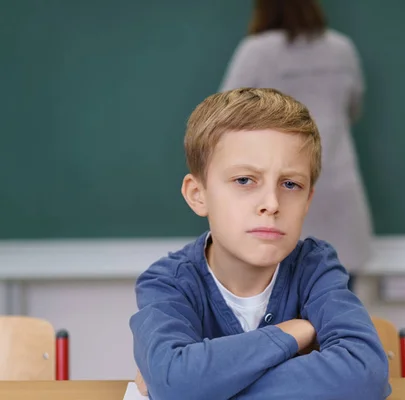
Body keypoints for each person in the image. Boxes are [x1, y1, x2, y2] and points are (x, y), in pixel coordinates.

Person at [130, 88, 390, 399]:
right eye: (244, 180)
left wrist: (204, 386)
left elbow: (364, 374)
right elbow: (174, 382)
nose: (271, 203)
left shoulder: (315, 267)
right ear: (198, 195)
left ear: (308, 200)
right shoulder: (167, 283)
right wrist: (291, 332)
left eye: (290, 184)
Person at [219, 0, 373, 291]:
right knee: (335, 318)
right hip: (338, 198)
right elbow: (353, 109)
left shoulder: (257, 52)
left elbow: (223, 118)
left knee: (277, 323)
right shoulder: (341, 49)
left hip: (275, 201)